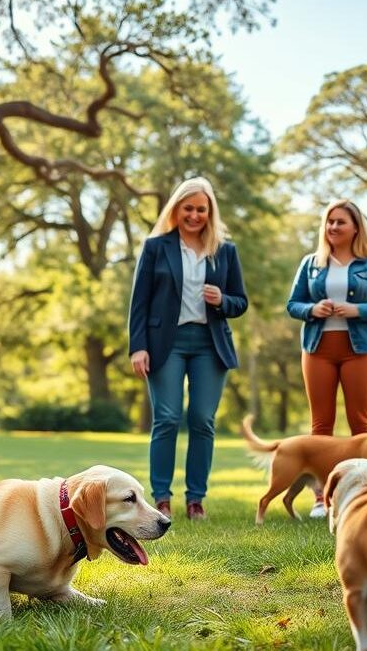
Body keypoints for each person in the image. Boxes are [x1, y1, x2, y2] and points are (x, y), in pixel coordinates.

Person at [128, 177, 248, 521]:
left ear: (210, 213)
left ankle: (196, 501)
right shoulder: (156, 247)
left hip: (210, 345)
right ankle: (161, 498)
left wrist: (222, 299)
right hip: (165, 344)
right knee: (166, 418)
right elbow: (140, 302)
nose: (195, 215)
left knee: (202, 420)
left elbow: (240, 302)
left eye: (201, 209)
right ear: (177, 209)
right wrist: (138, 346)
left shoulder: (225, 250)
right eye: (189, 208)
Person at [286, 200, 367, 518]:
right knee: (321, 427)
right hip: (318, 348)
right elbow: (293, 304)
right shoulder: (311, 263)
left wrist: (357, 310)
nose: (333, 227)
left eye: (341, 222)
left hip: (358, 349)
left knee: (361, 425)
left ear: (356, 227)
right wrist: (312, 309)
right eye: (329, 221)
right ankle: (322, 498)